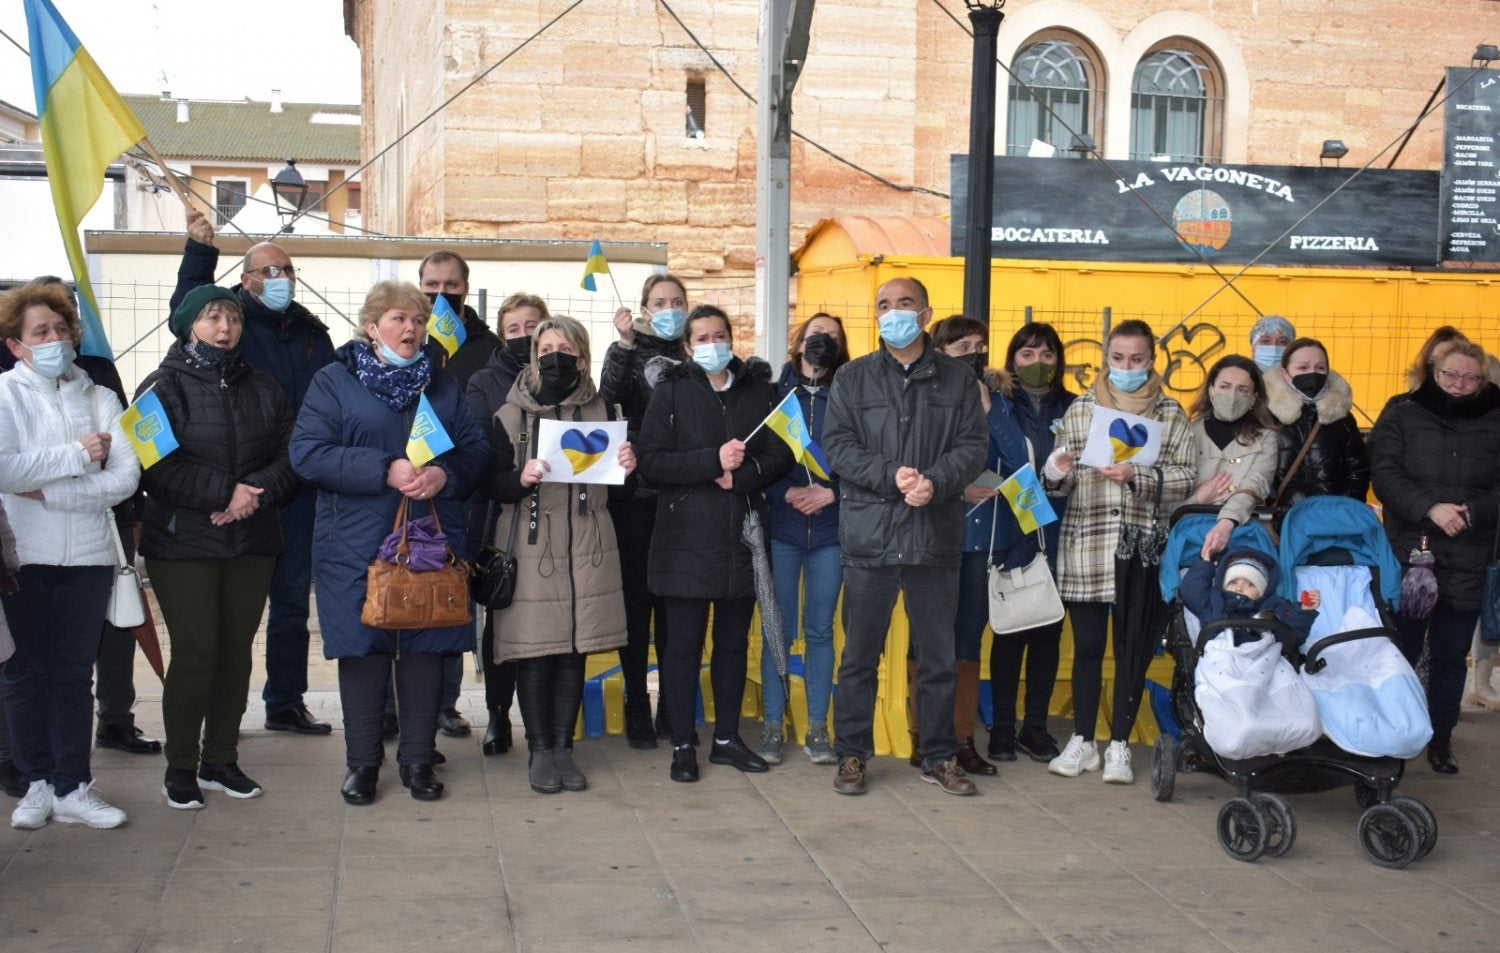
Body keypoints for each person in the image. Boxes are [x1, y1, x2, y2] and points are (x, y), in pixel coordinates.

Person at [289, 281, 489, 805]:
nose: (411, 328)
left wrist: (444, 475)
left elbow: (474, 451)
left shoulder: (441, 384)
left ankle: (418, 761)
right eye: (399, 318)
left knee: (425, 649)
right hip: (353, 543)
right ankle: (362, 764)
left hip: (430, 539)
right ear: (371, 327)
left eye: (418, 320)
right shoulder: (334, 381)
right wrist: (384, 468)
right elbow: (307, 453)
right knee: (364, 651)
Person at [170, 210, 337, 736]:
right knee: (228, 615)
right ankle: (221, 713)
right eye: (268, 271)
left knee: (291, 604)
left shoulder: (312, 332)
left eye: (287, 270)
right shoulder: (232, 324)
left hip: (296, 485)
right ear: (245, 281)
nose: (280, 279)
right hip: (233, 492)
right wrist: (200, 251)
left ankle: (285, 701)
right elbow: (188, 308)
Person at [822, 278, 988, 797]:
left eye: (904, 304)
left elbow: (973, 446)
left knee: (938, 658)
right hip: (869, 536)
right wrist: (889, 474)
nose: (893, 313)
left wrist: (936, 482)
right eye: (884, 305)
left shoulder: (958, 380)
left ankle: (938, 756)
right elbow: (837, 445)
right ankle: (851, 754)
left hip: (933, 535)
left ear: (925, 312)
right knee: (858, 657)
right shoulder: (852, 377)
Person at [137, 286, 298, 809]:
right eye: (212, 318)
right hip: (182, 543)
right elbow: (153, 465)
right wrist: (223, 493)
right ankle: (181, 764)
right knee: (196, 651)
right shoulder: (159, 387)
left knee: (235, 652)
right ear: (189, 325)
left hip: (252, 539)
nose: (224, 328)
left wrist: (253, 495)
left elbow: (291, 455)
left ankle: (220, 759)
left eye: (232, 318)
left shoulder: (266, 387)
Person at [0, 282, 140, 829]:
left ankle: (73, 785)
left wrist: (51, 492)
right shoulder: (5, 395)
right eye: (40, 332)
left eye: (61, 329)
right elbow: (5, 470)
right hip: (23, 558)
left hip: (89, 558)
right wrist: (79, 454)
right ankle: (35, 783)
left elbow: (125, 477)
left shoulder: (100, 397)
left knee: (74, 675)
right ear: (16, 345)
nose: (54, 339)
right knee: (25, 673)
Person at [636, 304, 794, 783]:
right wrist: (712, 462)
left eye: (719, 335)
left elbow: (782, 452)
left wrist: (742, 476)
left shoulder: (757, 390)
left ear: (731, 338)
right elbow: (651, 463)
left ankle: (727, 739)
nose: (712, 344)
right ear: (687, 347)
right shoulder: (670, 392)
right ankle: (683, 743)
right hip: (684, 537)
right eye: (702, 338)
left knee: (731, 645)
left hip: (741, 537)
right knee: (683, 646)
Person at [482, 314, 634, 793]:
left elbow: (622, 493)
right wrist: (520, 478)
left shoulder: (604, 411)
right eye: (546, 349)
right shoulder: (510, 416)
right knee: (535, 652)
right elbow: (490, 485)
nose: (555, 358)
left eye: (565, 350)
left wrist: (628, 467)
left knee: (574, 649)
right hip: (532, 547)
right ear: (533, 357)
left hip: (588, 546)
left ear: (582, 358)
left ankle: (564, 748)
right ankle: (540, 749)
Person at [1042, 319, 1195, 785]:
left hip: (1141, 545)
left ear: (1152, 360)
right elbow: (1058, 481)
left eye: (1137, 359)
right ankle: (1083, 739)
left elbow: (1187, 478)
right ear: (1105, 359)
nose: (1126, 367)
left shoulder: (1170, 412)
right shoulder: (1082, 409)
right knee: (1088, 647)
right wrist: (1056, 470)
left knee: (1132, 648)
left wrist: (1138, 476)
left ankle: (1121, 744)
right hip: (1087, 543)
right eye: (1118, 358)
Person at [1370, 341, 1500, 775]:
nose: (1459, 384)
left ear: (1483, 379)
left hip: (1469, 553)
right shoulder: (1402, 413)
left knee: (1450, 653)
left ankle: (1441, 737)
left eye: (1470, 377)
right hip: (1412, 551)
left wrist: (1472, 512)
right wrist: (1430, 507)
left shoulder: (1495, 418)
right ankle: (1393, 734)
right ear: (1434, 373)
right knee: (1400, 650)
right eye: (1451, 375)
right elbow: (1385, 474)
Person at [905, 315, 1025, 778]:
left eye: (979, 346)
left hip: (980, 541)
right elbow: (909, 461)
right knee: (927, 637)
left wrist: (989, 408)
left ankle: (962, 740)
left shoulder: (998, 400)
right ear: (939, 353)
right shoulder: (922, 395)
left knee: (967, 641)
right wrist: (955, 488)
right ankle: (923, 737)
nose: (973, 355)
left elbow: (1019, 461)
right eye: (961, 348)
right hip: (930, 534)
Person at [600, 274, 692, 745]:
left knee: (676, 609)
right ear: (643, 309)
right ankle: (637, 700)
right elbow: (608, 397)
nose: (669, 308)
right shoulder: (628, 350)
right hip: (636, 496)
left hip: (686, 497)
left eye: (677, 301)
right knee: (636, 605)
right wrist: (623, 344)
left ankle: (672, 706)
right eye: (660, 302)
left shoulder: (698, 350)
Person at [755, 312, 849, 767]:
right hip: (783, 530)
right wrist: (783, 492)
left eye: (832, 336)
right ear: (798, 343)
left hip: (831, 532)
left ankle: (816, 727)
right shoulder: (774, 396)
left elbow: (864, 459)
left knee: (820, 631)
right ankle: (773, 724)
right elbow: (755, 455)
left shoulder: (850, 397)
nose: (823, 342)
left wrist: (833, 493)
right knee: (778, 629)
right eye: (816, 334)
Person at [416, 249, 501, 742]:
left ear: (466, 288)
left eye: (451, 285)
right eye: (432, 286)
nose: (441, 295)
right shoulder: (408, 335)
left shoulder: (487, 347)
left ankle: (444, 704)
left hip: (463, 487)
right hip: (407, 485)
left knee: (451, 596)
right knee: (401, 591)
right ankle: (394, 705)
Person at [988, 322, 1075, 764]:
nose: (1038, 362)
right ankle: (1002, 727)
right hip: (1010, 529)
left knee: (1047, 629)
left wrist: (1062, 478)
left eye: (1046, 354)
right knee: (1010, 630)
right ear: (1013, 360)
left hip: (1060, 531)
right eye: (1027, 354)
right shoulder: (998, 404)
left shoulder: (1077, 407)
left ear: (1058, 359)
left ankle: (1035, 728)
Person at [465, 292, 548, 756]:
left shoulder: (564, 375)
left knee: (545, 623)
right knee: (501, 618)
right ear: (501, 335)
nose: (522, 336)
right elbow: (479, 445)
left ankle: (543, 724)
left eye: (531, 327)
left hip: (555, 518)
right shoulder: (483, 381)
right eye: (513, 329)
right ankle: (498, 714)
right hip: (501, 516)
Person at [1181, 355, 1280, 560]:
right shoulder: (1187, 432)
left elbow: (1256, 483)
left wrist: (1227, 522)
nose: (1232, 395)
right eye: (1224, 386)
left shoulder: (1266, 437)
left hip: (1242, 532)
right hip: (1189, 531)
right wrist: (1198, 499)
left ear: (1254, 397)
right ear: (1211, 389)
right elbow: (1170, 496)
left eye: (1242, 389)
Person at [1264, 338, 1369, 506]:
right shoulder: (1265, 416)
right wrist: (1275, 507)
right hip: (1279, 515)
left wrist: (1340, 507)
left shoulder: (1343, 419)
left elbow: (1359, 471)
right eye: (1303, 367)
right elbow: (1252, 468)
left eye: (1320, 368)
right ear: (1284, 373)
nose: (1313, 373)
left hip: (1331, 516)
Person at [1180, 550, 1319, 646]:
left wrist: (1304, 611)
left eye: (1250, 584)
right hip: (1221, 656)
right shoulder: (1213, 601)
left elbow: (1293, 636)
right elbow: (1191, 592)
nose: (1239, 588)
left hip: (1262, 659)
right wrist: (1204, 565)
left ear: (1261, 591)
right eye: (1233, 582)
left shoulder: (1271, 607)